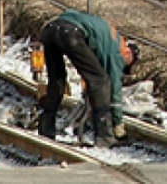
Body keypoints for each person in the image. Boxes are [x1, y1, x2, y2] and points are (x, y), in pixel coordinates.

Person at [38, 10, 139, 147]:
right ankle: (104, 136)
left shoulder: (107, 37)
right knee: (101, 81)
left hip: (51, 29)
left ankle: (46, 128)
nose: (122, 66)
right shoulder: (117, 51)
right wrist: (118, 124)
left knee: (57, 80)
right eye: (127, 64)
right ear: (129, 53)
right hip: (71, 33)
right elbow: (114, 89)